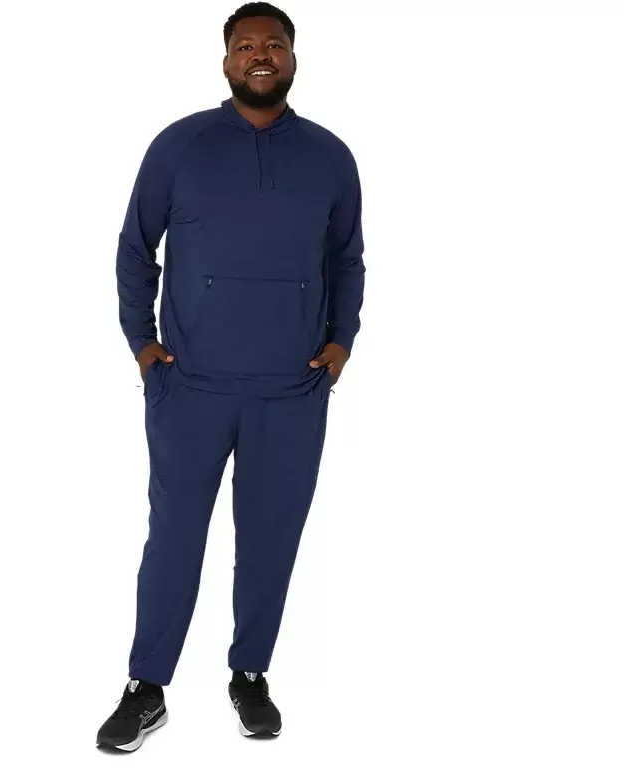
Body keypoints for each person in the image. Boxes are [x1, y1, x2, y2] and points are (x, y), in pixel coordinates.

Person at [96, 2, 365, 751]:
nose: (260, 55)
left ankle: (250, 675)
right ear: (225, 62)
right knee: (174, 539)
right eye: (245, 45)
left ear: (293, 59)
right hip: (191, 387)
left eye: (274, 44)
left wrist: (342, 342)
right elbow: (134, 249)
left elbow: (346, 257)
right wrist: (143, 345)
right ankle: (146, 688)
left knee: (271, 539)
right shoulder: (179, 146)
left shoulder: (330, 157)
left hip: (292, 389)